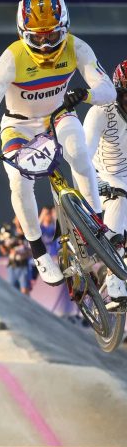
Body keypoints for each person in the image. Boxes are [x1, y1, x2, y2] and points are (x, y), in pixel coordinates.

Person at [0, 0, 115, 287]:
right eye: (37, 38)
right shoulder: (11, 58)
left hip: (57, 115)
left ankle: (98, 223)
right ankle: (38, 252)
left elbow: (108, 90)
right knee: (20, 182)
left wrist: (85, 94)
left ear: (65, 28)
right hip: (18, 126)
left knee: (79, 153)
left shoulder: (76, 47)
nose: (45, 45)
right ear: (23, 33)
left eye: (52, 35)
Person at [84, 58, 127, 305]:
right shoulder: (100, 111)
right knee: (120, 196)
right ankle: (114, 279)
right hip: (102, 176)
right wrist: (93, 181)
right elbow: (82, 156)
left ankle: (118, 257)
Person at [0, 219, 33, 294]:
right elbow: (5, 252)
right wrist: (6, 248)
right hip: (12, 266)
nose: (18, 227)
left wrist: (23, 253)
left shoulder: (28, 237)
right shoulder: (11, 235)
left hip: (23, 266)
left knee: (24, 291)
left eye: (20, 226)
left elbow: (31, 252)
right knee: (11, 291)